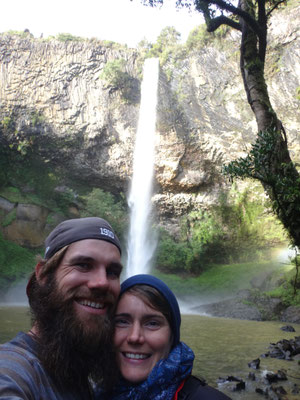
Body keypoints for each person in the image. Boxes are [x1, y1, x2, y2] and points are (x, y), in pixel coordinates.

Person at [0, 217, 123, 399]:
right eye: (83, 265)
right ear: (43, 274)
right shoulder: (11, 370)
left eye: (112, 272)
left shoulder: (81, 376)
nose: (102, 283)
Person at [98, 274, 232, 400]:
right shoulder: (93, 393)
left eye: (152, 323)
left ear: (172, 336)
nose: (134, 337)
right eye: (122, 321)